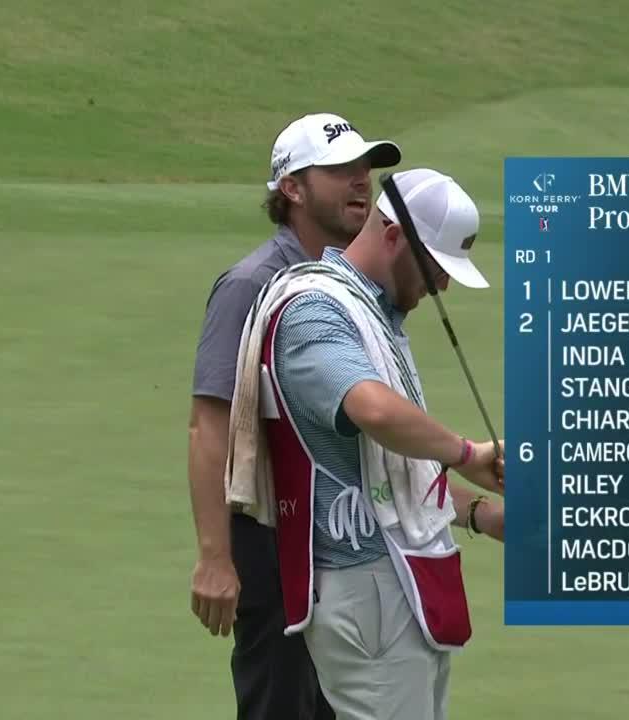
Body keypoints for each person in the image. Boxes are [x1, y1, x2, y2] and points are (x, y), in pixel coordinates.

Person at [223, 167, 503, 720]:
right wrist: (466, 454)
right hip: (363, 587)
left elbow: (386, 473)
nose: (442, 286)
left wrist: (478, 511)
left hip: (399, 580)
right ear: (393, 235)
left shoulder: (372, 314)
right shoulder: (313, 310)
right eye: (435, 268)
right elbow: (371, 409)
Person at [187, 112, 403, 720]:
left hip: (348, 535)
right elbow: (208, 426)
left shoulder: (357, 283)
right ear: (292, 188)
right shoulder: (251, 284)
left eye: (365, 168)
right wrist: (215, 557)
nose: (361, 180)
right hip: (273, 538)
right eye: (339, 170)